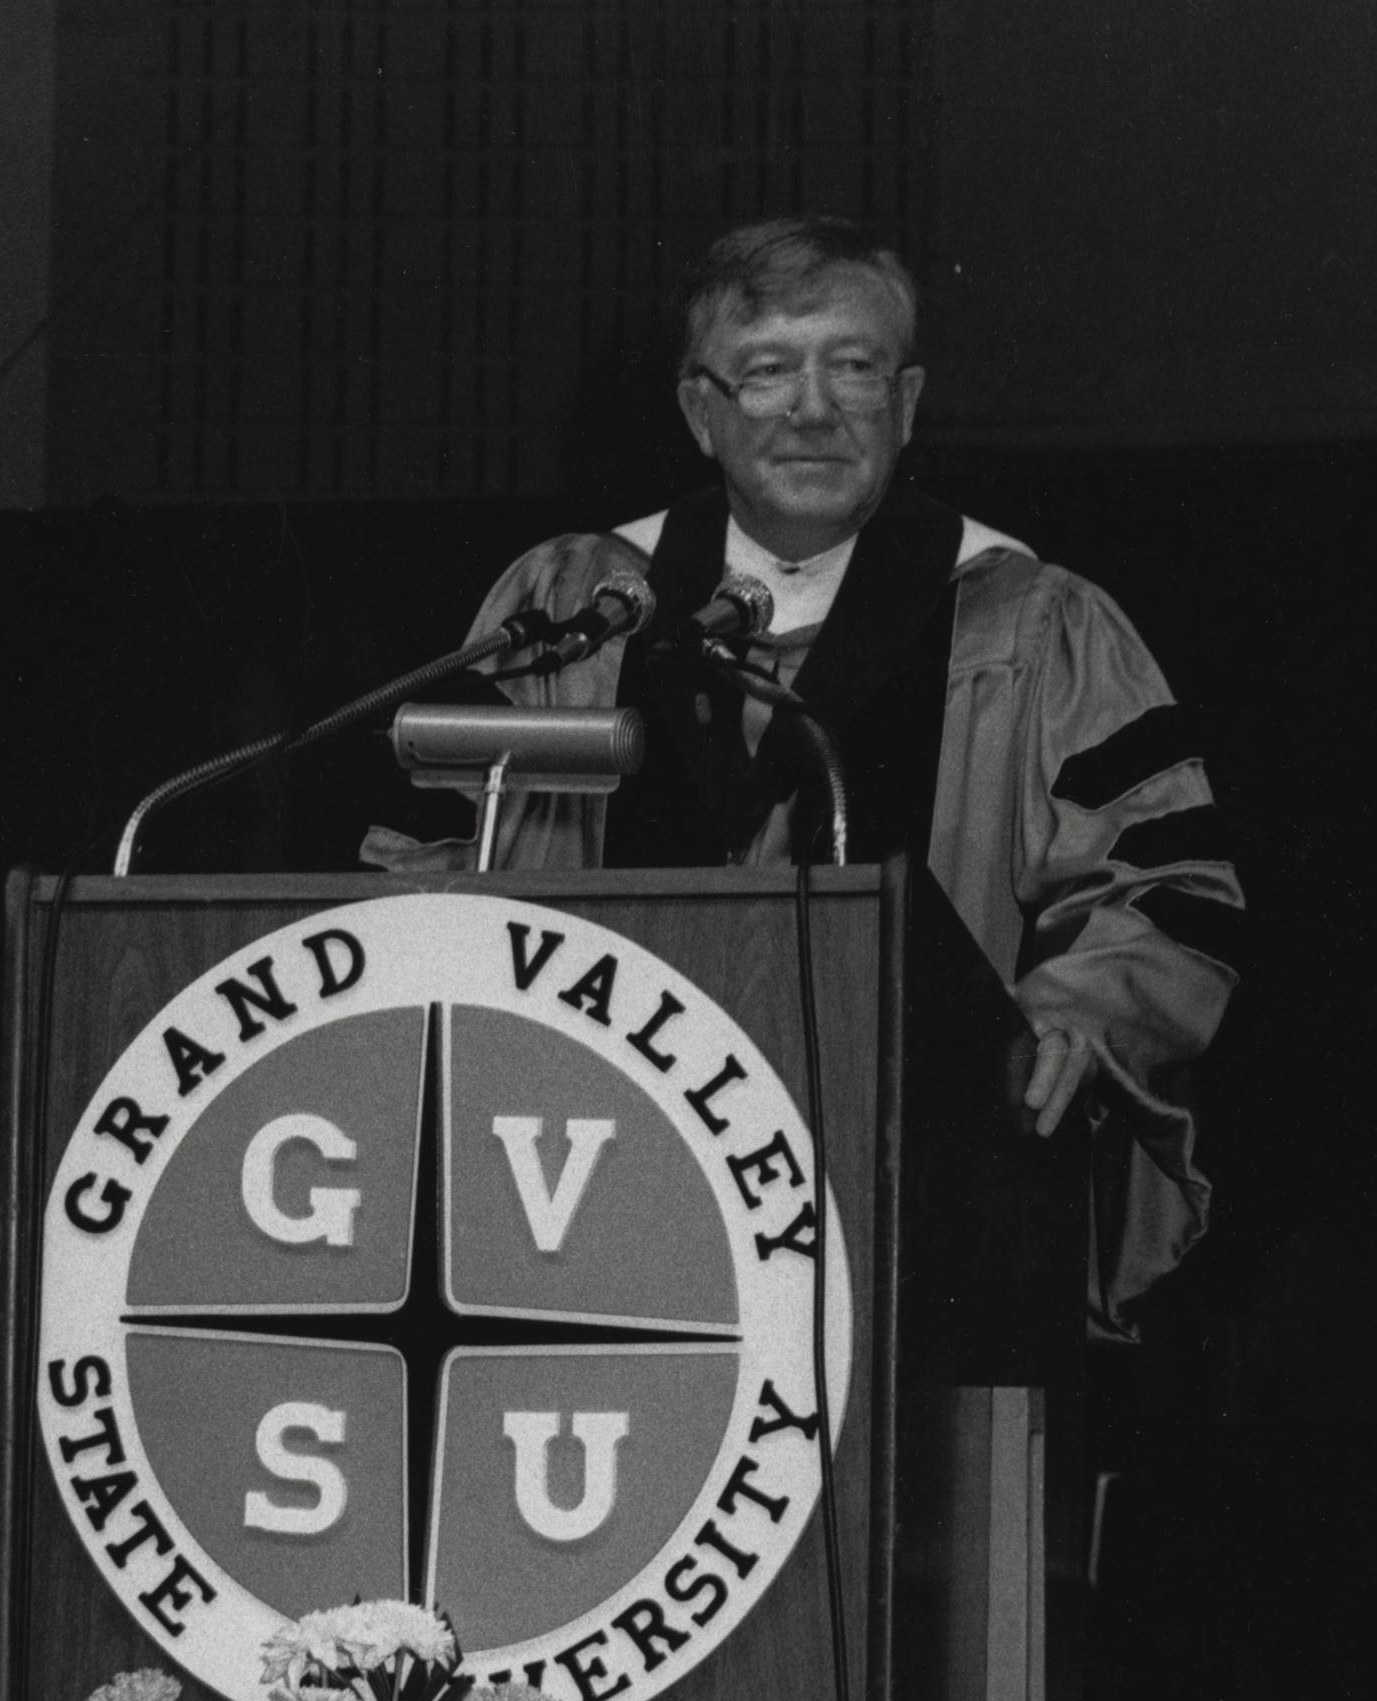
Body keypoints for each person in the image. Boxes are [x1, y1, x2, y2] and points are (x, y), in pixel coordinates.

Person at [364, 216, 1241, 1337]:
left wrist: (1063, 1021)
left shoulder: (1033, 623)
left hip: (908, 1207)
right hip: (574, 1189)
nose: (814, 410)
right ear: (700, 412)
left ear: (906, 403)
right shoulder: (573, 608)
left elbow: (1162, 892)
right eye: (769, 370)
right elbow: (436, 867)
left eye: (854, 367)